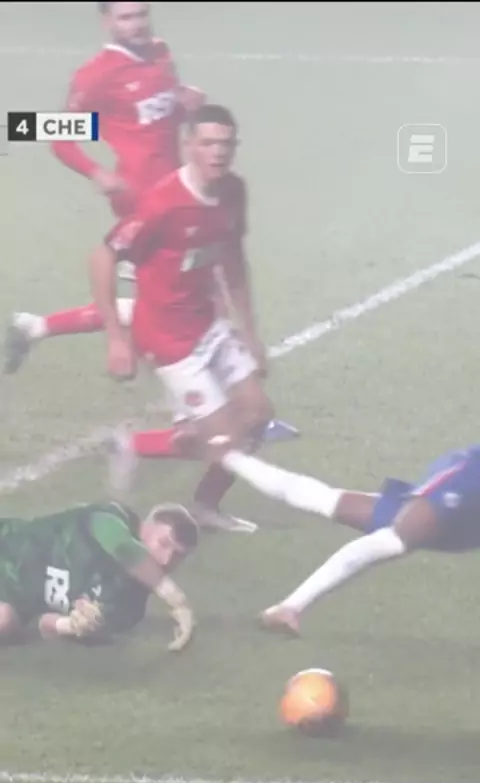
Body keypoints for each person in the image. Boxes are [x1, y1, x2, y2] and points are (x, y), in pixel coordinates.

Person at [87, 104, 276, 532]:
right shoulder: (163, 204)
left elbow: (233, 259)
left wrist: (250, 333)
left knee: (259, 416)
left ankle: (205, 504)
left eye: (225, 144)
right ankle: (132, 446)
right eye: (207, 143)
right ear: (189, 145)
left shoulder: (233, 191)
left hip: (207, 323)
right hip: (167, 339)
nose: (217, 152)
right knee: (226, 441)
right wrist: (116, 339)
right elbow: (102, 257)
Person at [4, 0, 204, 374]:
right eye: (125, 17)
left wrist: (188, 106)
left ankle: (36, 327)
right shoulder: (98, 75)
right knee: (184, 294)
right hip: (141, 197)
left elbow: (156, 118)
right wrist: (97, 173)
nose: (137, 24)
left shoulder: (160, 53)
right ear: (106, 22)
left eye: (141, 14)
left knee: (174, 296)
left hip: (176, 188)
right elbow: (63, 135)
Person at [216, 443, 480, 633]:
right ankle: (225, 453)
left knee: (329, 501)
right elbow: (381, 544)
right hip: (455, 513)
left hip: (461, 519)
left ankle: (228, 455)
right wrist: (293, 606)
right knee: (379, 531)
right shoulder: (462, 485)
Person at [0, 499, 199, 650]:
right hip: (7, 546)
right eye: (163, 544)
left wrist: (72, 625)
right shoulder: (110, 518)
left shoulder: (129, 607)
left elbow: (45, 626)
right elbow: (122, 547)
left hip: (17, 593)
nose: (165, 560)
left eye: (178, 555)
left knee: (5, 622)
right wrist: (176, 599)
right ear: (145, 528)